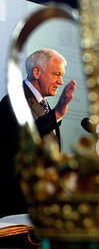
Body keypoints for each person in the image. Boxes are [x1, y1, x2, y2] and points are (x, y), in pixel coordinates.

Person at [0, 48, 76, 218]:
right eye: (56, 74)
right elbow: (23, 138)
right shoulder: (14, 100)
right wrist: (56, 114)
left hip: (40, 203)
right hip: (17, 206)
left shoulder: (44, 103)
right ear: (36, 71)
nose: (60, 81)